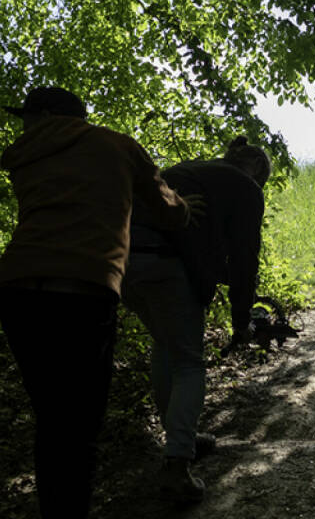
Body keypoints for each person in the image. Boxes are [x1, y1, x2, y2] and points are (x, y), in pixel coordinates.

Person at [0, 86, 195, 518]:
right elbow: (167, 211)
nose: (25, 125)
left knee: (52, 417)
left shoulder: (24, 156)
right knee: (81, 425)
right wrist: (185, 209)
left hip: (17, 289)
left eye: (27, 116)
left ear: (45, 115)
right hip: (85, 288)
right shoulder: (116, 144)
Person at [122, 135, 271, 503]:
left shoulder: (190, 171)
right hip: (163, 265)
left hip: (124, 263)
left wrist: (216, 278)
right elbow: (243, 260)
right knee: (189, 363)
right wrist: (241, 321)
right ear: (255, 170)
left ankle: (180, 437)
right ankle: (177, 465)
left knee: (166, 346)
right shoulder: (245, 187)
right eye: (262, 179)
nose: (260, 187)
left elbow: (193, 240)